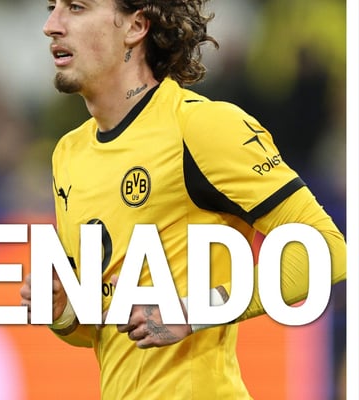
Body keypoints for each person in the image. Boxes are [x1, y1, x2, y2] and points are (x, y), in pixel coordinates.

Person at [20, 0, 347, 398]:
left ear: (135, 26)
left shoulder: (201, 127)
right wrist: (63, 310)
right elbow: (105, 330)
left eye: (76, 7)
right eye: (52, 7)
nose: (51, 25)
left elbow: (326, 251)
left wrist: (193, 310)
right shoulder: (69, 155)